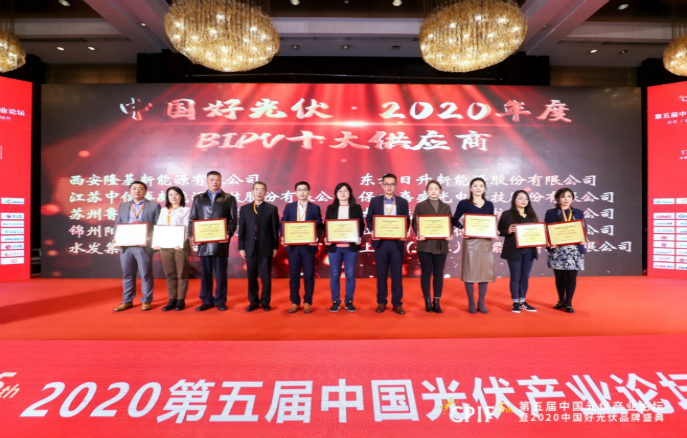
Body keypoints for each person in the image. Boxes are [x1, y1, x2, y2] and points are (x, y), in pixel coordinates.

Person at [188, 171, 237, 312]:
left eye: (217, 180)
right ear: (207, 181)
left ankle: (221, 300)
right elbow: (192, 219)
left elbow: (233, 220)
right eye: (212, 179)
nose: (215, 182)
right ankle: (206, 300)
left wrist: (228, 233)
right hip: (203, 243)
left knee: (221, 274)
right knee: (206, 274)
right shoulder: (198, 198)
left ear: (221, 181)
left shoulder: (229, 199)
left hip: (221, 243)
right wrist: (192, 235)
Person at [366, 173, 411, 315]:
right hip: (381, 243)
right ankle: (381, 302)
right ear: (382, 185)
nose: (389, 186)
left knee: (397, 275)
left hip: (396, 243)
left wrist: (404, 232)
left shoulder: (402, 202)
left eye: (392, 184)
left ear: (396, 185)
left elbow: (407, 220)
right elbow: (368, 218)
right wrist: (373, 231)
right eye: (386, 184)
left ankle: (397, 303)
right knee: (381, 274)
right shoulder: (375, 201)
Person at [113, 181, 161, 312]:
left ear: (145, 191)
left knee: (146, 274)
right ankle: (127, 300)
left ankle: (146, 300)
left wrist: (150, 237)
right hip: (126, 245)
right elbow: (118, 222)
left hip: (143, 245)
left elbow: (158, 225)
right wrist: (116, 236)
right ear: (130, 191)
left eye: (140, 188)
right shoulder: (123, 206)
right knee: (127, 274)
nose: (137, 191)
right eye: (134, 188)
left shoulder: (154, 206)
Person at [452, 177, 496, 314]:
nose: (478, 188)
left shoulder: (489, 205)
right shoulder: (464, 203)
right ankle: (471, 300)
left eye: (481, 186)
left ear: (485, 188)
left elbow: (490, 222)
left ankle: (481, 301)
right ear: (470, 188)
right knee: (470, 271)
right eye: (475, 185)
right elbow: (454, 219)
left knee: (484, 271)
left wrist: (493, 230)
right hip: (470, 240)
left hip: (486, 241)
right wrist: (462, 227)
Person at [281, 181, 323, 314]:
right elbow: (283, 223)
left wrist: (316, 238)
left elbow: (319, 225)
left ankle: (307, 302)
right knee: (294, 275)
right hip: (293, 247)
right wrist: (284, 237)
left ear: (309, 192)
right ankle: (295, 302)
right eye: (299, 190)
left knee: (309, 275)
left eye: (304, 189)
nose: (302, 192)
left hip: (308, 248)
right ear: (295, 192)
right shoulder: (289, 207)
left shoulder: (314, 208)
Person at [411, 180, 453, 313]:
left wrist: (449, 234)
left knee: (438, 274)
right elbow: (414, 222)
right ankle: (427, 301)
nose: (433, 191)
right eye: (430, 189)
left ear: (440, 191)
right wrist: (419, 234)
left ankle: (437, 301)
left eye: (436, 188)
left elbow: (449, 223)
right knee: (426, 273)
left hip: (441, 245)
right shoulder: (420, 205)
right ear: (426, 191)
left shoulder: (446, 207)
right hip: (425, 245)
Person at [238, 181, 280, 312]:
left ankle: (265, 301)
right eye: (257, 189)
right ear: (252, 192)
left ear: (266, 192)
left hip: (266, 247)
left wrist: (275, 247)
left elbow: (275, 230)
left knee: (266, 277)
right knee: (251, 276)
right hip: (250, 247)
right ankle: (253, 301)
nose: (259, 192)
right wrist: (241, 247)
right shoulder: (245, 209)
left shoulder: (272, 209)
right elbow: (242, 230)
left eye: (262, 189)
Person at [324, 182, 365, 313]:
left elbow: (361, 225)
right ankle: (335, 301)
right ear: (336, 194)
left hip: (350, 248)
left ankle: (349, 301)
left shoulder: (356, 207)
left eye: (345, 191)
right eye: (340, 191)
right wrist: (326, 237)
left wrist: (359, 236)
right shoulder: (331, 208)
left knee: (350, 275)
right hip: (334, 248)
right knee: (334, 275)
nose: (342, 193)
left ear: (350, 193)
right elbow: (327, 225)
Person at [544, 187, 587, 314]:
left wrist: (584, 238)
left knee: (571, 276)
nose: (566, 199)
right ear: (557, 198)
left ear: (573, 198)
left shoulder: (578, 212)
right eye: (563, 196)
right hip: (557, 249)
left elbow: (584, 228)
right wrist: (549, 243)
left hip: (574, 250)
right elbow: (546, 230)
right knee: (559, 277)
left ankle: (568, 303)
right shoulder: (551, 213)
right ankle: (561, 300)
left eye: (569, 196)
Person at [498, 190, 539, 314]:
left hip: (529, 250)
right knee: (515, 276)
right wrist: (508, 231)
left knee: (525, 276)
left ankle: (523, 302)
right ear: (514, 200)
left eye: (526, 198)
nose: (523, 200)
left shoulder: (531, 215)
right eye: (520, 198)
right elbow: (499, 230)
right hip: (513, 250)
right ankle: (515, 302)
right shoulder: (507, 214)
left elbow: (537, 232)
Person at [153, 186, 191, 311]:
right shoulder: (164, 210)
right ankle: (172, 300)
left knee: (182, 273)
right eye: (170, 195)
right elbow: (159, 226)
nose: (173, 197)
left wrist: (180, 242)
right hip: (165, 245)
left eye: (176, 194)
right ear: (167, 197)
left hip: (180, 246)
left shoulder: (186, 210)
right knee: (169, 274)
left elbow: (186, 227)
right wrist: (157, 242)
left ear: (181, 196)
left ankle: (181, 300)